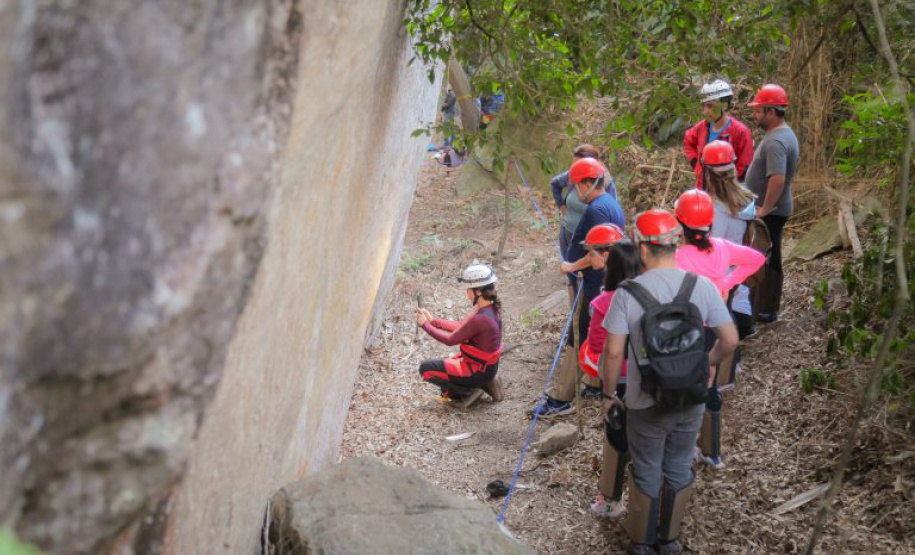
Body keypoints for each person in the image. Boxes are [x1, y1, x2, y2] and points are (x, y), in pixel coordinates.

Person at [600, 209, 738, 555]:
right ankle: (670, 538)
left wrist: (607, 394)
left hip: (645, 401)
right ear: (676, 244)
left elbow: (614, 354)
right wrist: (708, 362)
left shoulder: (627, 294)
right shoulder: (701, 286)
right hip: (690, 397)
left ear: (642, 249)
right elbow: (731, 340)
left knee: (646, 465)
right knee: (678, 464)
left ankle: (643, 542)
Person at [673, 190, 765, 471]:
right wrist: (727, 281)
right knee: (709, 383)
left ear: (681, 225)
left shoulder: (677, 257)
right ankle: (712, 452)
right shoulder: (723, 248)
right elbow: (757, 259)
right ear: (710, 222)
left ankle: (684, 451)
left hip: (687, 329)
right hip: (714, 325)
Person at [532, 158, 626, 417]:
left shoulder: (597, 209)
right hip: (600, 280)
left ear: (587, 184)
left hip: (593, 281)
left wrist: (572, 266)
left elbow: (600, 250)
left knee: (578, 336)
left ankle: (561, 398)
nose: (574, 192)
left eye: (575, 186)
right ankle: (594, 383)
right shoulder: (609, 203)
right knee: (595, 331)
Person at [580, 231, 642, 520]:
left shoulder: (603, 303)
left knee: (616, 439)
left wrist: (606, 394)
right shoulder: (652, 296)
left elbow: (596, 346)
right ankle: (644, 505)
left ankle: (611, 500)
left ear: (611, 266)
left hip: (617, 379)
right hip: (650, 376)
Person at [745, 84, 800, 323]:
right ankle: (766, 307)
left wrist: (765, 209)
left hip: (772, 210)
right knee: (771, 252)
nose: (755, 115)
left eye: (758, 111)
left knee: (765, 255)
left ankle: (766, 309)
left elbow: (777, 179)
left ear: (771, 112)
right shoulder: (781, 135)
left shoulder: (776, 141)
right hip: (775, 208)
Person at [416, 263, 504, 406]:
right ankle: (482, 384)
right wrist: (433, 321)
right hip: (486, 368)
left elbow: (450, 340)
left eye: (468, 289)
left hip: (478, 371)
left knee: (425, 369)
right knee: (442, 365)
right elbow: (460, 327)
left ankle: (469, 392)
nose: (467, 293)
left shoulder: (481, 318)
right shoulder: (490, 308)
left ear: (479, 291)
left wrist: (425, 325)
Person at [703, 140, 760, 339]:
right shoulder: (745, 197)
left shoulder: (719, 208)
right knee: (740, 296)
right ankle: (746, 331)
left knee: (725, 307)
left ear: (708, 174)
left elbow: (715, 244)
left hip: (725, 267)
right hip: (741, 258)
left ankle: (731, 351)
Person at [551, 145, 618, 267]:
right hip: (566, 231)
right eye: (573, 165)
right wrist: (561, 205)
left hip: (586, 239)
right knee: (569, 267)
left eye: (577, 165)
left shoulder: (606, 184)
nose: (573, 170)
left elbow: (610, 217)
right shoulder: (574, 174)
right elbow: (555, 183)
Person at [683, 79, 754, 189]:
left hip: (728, 193)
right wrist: (696, 165)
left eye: (710, 106)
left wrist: (728, 185)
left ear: (724, 105)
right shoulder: (703, 127)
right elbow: (688, 141)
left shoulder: (740, 132)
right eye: (704, 106)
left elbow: (744, 166)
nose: (706, 111)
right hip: (703, 189)